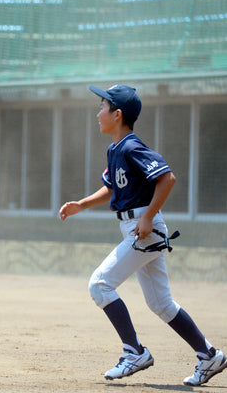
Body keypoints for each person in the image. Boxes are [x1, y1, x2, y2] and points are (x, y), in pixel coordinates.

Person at [59, 84, 227, 386]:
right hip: (137, 227)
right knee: (161, 304)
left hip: (143, 229)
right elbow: (113, 188)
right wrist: (81, 204)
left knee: (99, 284)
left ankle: (134, 351)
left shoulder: (131, 147)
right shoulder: (115, 149)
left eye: (102, 107)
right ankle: (209, 354)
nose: (98, 113)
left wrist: (149, 216)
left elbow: (167, 178)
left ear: (117, 113)